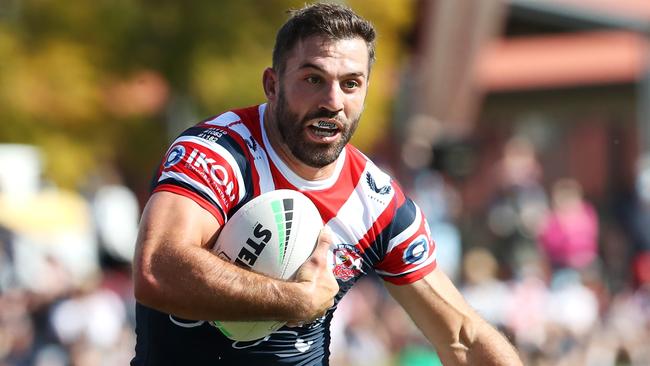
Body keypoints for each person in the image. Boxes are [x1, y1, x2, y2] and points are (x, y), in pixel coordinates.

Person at [131, 3, 523, 365]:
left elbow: (462, 338)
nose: (332, 100)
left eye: (351, 84)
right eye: (313, 79)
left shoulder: (377, 203)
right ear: (272, 84)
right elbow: (156, 269)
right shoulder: (219, 153)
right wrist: (295, 300)